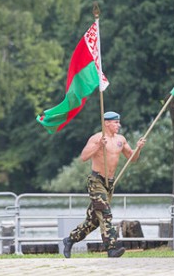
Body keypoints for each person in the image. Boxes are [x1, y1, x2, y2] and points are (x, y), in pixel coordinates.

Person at [62, 111, 145, 258]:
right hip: (97, 181)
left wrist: (138, 148)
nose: (118, 125)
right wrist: (99, 146)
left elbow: (132, 158)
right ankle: (111, 248)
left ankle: (70, 240)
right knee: (106, 214)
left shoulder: (121, 139)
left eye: (118, 122)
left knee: (94, 221)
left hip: (110, 183)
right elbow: (84, 157)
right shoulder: (97, 138)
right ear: (106, 123)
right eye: (115, 122)